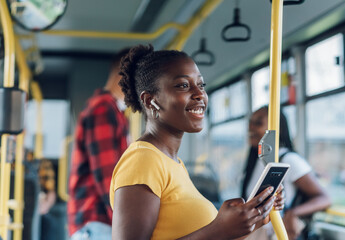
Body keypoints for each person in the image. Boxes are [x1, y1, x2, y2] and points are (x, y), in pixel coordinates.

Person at [110, 44, 285, 240]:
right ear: (151, 100)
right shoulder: (143, 160)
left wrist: (255, 217)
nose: (199, 94)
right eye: (183, 85)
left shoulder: (174, 163)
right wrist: (218, 229)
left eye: (201, 85)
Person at [67, 48, 131, 239]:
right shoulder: (103, 109)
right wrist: (126, 224)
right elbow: (108, 177)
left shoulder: (112, 110)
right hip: (97, 222)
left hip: (98, 222)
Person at [241, 106, 331, 240]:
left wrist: (293, 213)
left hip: (273, 234)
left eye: (258, 123)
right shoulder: (257, 160)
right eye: (250, 123)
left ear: (277, 129)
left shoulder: (289, 160)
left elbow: (324, 198)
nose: (251, 128)